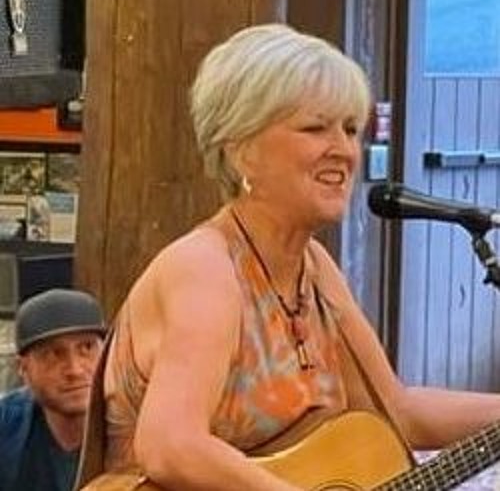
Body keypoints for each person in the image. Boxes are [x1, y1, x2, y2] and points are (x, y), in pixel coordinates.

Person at [80, 24, 500, 490]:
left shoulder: (314, 269)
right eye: (315, 128)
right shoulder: (205, 269)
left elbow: (396, 412)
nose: (344, 150)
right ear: (241, 152)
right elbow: (170, 445)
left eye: (350, 129)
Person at [0, 288, 105, 491]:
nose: (74, 370)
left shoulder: (140, 423)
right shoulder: (7, 426)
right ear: (23, 368)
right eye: (54, 354)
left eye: (87, 348)